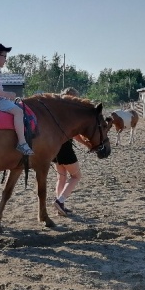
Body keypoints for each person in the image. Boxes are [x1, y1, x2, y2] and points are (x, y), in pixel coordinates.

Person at [0, 43, 34, 155]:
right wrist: (6, 94)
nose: (5, 60)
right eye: (4, 56)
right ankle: (22, 143)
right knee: (19, 112)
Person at [53, 87, 83, 217]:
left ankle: (60, 205)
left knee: (61, 177)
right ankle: (60, 201)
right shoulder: (70, 113)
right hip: (65, 148)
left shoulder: (55, 111)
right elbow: (75, 134)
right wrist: (87, 143)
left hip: (54, 147)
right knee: (76, 176)